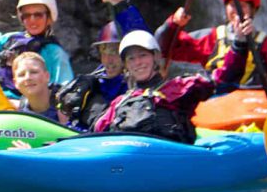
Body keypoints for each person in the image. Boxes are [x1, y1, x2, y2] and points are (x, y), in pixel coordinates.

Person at [155, 0, 267, 94]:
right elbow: (164, 48)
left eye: (243, 6)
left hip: (251, 100)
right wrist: (173, 24)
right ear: (226, 8)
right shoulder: (211, 38)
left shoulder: (265, 44)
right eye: (232, 5)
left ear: (253, 10)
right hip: (217, 97)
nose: (237, 11)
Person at [92, 30, 232, 144]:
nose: (138, 62)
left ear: (155, 58)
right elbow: (96, 133)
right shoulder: (119, 103)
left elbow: (222, 78)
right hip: (133, 166)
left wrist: (238, 44)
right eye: (131, 59)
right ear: (126, 65)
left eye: (143, 55)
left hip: (173, 162)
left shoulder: (178, 88)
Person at [56, 0, 151, 131]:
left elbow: (142, 39)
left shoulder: (138, 81)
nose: (108, 59)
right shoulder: (92, 83)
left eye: (114, 51)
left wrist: (120, 4)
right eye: (104, 50)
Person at [11, 52, 60, 121]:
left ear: (47, 76)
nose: (28, 78)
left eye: (34, 72)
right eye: (21, 74)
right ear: (15, 83)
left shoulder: (65, 103)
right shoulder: (18, 112)